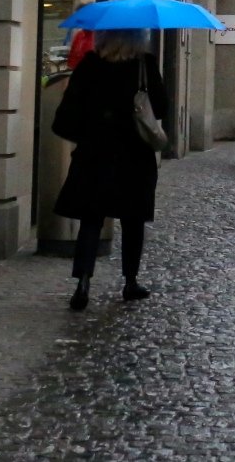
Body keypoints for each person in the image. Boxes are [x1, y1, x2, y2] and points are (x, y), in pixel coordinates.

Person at [51, 29, 170, 311]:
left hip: (95, 151)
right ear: (138, 40)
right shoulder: (145, 64)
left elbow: (67, 114)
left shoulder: (90, 65)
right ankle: (130, 282)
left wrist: (87, 132)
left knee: (91, 219)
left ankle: (83, 282)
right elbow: (162, 107)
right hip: (134, 153)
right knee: (133, 220)